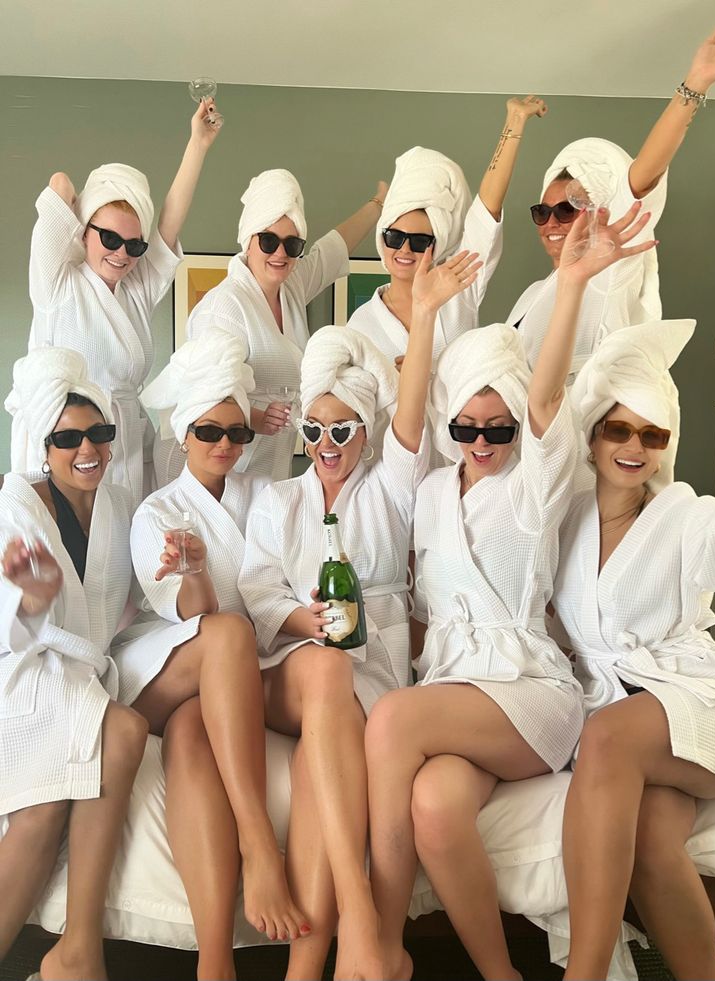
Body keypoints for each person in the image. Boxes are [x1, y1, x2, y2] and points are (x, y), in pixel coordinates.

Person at [363, 202, 657, 981]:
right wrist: (422, 320)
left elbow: (547, 400)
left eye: (499, 429)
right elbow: (409, 426)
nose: (485, 443)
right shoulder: (428, 494)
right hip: (460, 690)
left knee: (393, 720)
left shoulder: (536, 484)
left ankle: (378, 949)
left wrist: (570, 288)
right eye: (468, 429)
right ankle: (503, 974)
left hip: (529, 692)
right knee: (432, 805)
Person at [239, 247, 481, 980]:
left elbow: (411, 411)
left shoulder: (391, 489)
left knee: (323, 759)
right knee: (320, 671)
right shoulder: (276, 500)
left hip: (366, 681)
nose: (326, 447)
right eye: (314, 432)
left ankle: (307, 968)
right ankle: (363, 918)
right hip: (290, 668)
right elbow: (254, 590)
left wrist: (428, 311)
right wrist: (298, 621)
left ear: (367, 432)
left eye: (343, 431)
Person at [112, 328, 304, 981]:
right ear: (183, 434)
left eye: (237, 433)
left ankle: (214, 959)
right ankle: (259, 843)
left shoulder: (265, 499)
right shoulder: (156, 512)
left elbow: (284, 584)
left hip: (223, 688)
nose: (224, 443)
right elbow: (192, 617)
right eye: (209, 430)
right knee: (225, 633)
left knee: (195, 736)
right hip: (168, 666)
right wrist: (193, 569)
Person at [552, 320, 715, 981]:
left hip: (699, 700)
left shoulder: (683, 515)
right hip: (633, 718)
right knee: (655, 839)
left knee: (604, 738)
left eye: (652, 435)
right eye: (619, 429)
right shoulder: (565, 521)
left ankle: (585, 974)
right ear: (594, 434)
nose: (634, 447)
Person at [0, 347, 148, 980]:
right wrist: (31, 599)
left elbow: (135, 599)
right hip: (24, 670)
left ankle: (77, 952)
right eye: (67, 438)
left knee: (121, 733)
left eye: (99, 433)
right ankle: (76, 954)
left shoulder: (117, 506)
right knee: (40, 808)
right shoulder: (17, 502)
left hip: (80, 673)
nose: (87, 449)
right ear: (43, 444)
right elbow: (14, 626)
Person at [17, 98, 222, 504]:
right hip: (68, 448)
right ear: (83, 230)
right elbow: (60, 184)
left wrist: (197, 144)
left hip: (127, 447)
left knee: (129, 557)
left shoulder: (136, 290)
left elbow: (169, 222)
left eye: (134, 243)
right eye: (109, 238)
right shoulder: (56, 284)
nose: (122, 254)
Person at [509, 26, 715, 380]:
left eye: (566, 209)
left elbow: (642, 177)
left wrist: (695, 85)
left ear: (601, 214)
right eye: (542, 212)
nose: (551, 223)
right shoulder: (534, 294)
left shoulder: (606, 270)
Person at [151, 169, 388, 485]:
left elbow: (331, 252)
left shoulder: (289, 286)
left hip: (267, 457)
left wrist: (378, 204)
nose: (280, 253)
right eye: (268, 241)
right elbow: (204, 393)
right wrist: (256, 417)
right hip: (219, 459)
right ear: (248, 240)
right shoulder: (224, 307)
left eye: (292, 245)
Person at [348, 98, 546, 370]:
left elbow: (486, 210)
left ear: (436, 245)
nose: (405, 250)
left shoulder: (457, 287)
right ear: (383, 240)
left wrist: (514, 123)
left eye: (420, 242)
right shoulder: (361, 322)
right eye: (395, 237)